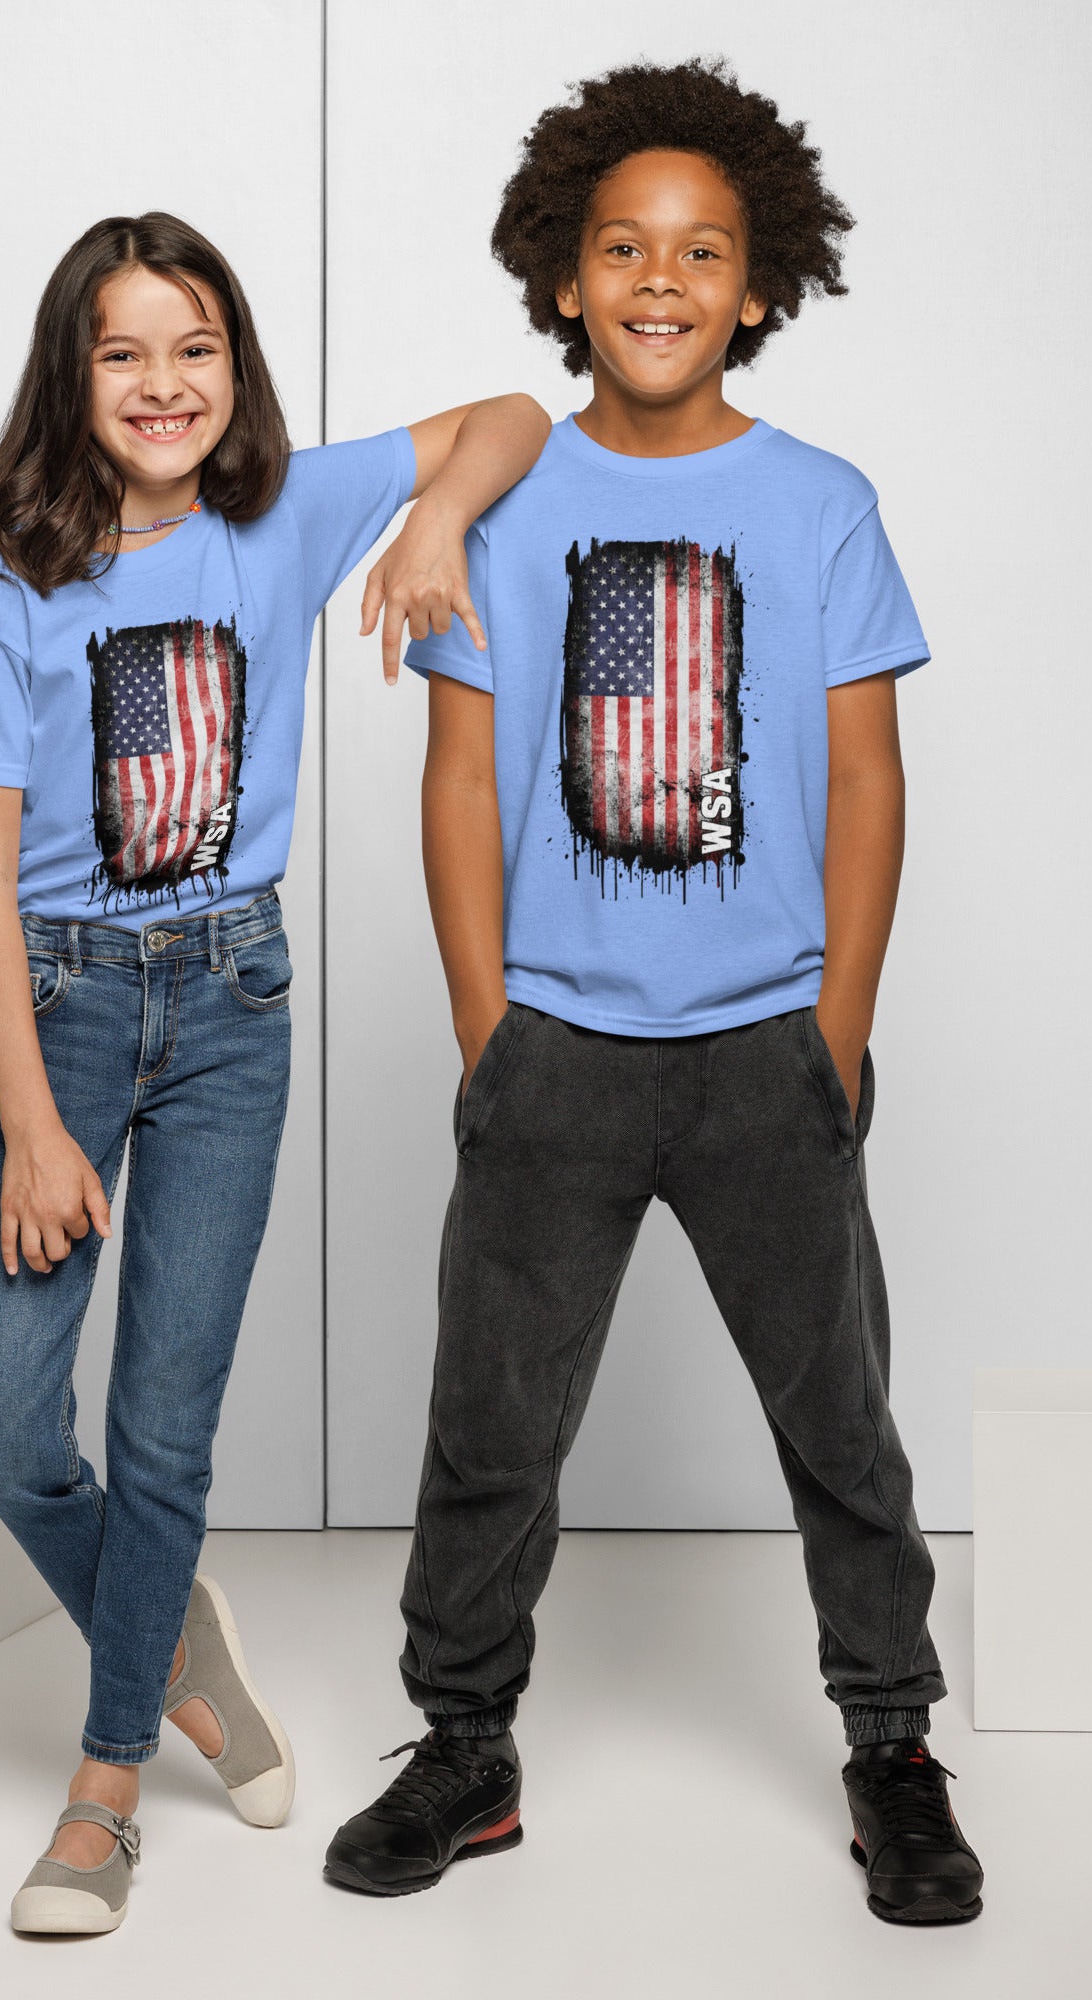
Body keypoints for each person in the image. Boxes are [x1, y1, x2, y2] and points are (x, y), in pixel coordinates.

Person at [323, 62, 984, 1926]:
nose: (662, 278)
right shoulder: (502, 500)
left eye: (704, 251)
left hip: (769, 1046)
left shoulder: (823, 501)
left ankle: (894, 1747)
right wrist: (488, 1025)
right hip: (560, 1052)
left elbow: (866, 778)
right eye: (623, 249)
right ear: (563, 279)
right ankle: (465, 1747)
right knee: (492, 1423)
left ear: (760, 285)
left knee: (840, 1421)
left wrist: (836, 1026)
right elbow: (461, 779)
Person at [0, 210, 548, 1937]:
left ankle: (107, 1787)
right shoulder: (17, 576)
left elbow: (514, 417)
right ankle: (176, 1626)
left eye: (193, 347)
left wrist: (431, 515)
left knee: (163, 1424)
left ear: (236, 364)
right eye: (123, 351)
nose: (163, 383)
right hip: (56, 1003)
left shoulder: (282, 512)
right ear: (74, 372)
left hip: (228, 1006)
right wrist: (37, 1125)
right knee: (0, 1424)